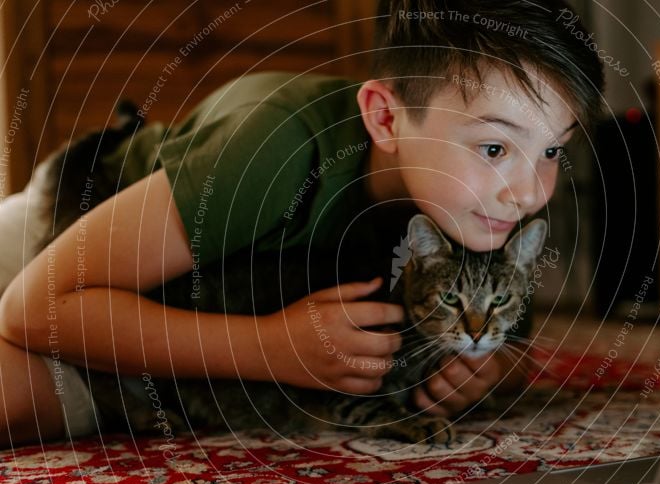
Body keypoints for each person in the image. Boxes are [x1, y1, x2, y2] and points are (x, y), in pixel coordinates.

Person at [0, 0, 605, 448]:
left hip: (190, 314)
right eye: (496, 148)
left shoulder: (486, 213)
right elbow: (34, 307)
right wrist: (272, 348)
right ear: (386, 119)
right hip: (75, 224)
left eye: (553, 151)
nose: (529, 191)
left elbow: (515, 341)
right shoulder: (271, 151)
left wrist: (484, 372)